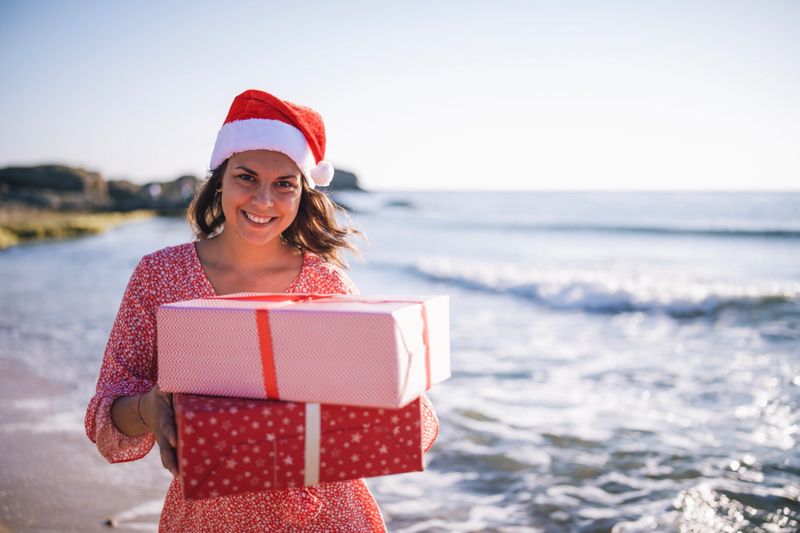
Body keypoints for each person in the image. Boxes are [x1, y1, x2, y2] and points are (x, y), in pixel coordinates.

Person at [85, 89, 439, 532]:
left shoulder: (325, 283)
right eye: (247, 177)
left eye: (284, 184)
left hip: (329, 516)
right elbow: (107, 421)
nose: (263, 201)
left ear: (302, 193)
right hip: (210, 519)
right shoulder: (160, 275)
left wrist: (396, 381)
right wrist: (150, 409)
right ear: (220, 179)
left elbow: (414, 423)